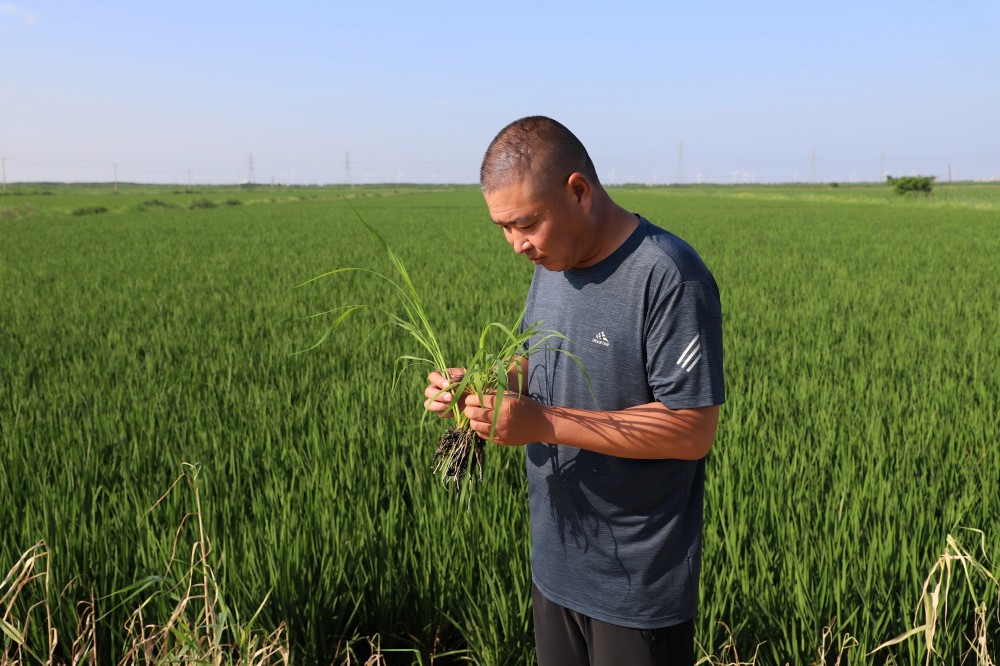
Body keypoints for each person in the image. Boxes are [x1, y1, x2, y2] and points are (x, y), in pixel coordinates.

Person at [423, 116, 725, 666]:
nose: (516, 245)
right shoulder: (553, 262)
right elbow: (531, 362)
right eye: (503, 228)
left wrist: (542, 423)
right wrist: (482, 387)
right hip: (556, 565)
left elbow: (691, 429)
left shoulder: (668, 275)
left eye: (525, 224)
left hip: (634, 587)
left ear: (578, 192)